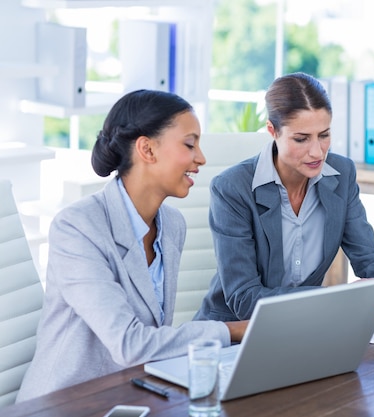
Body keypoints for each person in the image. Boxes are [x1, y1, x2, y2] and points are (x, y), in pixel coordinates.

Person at [17, 90, 247, 402]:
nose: (201, 158)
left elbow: (151, 340)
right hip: (64, 403)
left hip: (129, 396)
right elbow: (129, 343)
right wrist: (232, 331)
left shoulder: (172, 225)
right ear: (147, 149)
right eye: (189, 144)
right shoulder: (78, 227)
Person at [194, 72, 374, 322]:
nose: (317, 152)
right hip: (232, 333)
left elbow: (369, 257)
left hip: (305, 328)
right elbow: (245, 299)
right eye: (301, 139)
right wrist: (335, 297)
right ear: (272, 131)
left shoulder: (341, 175)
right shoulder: (232, 188)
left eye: (324, 135)